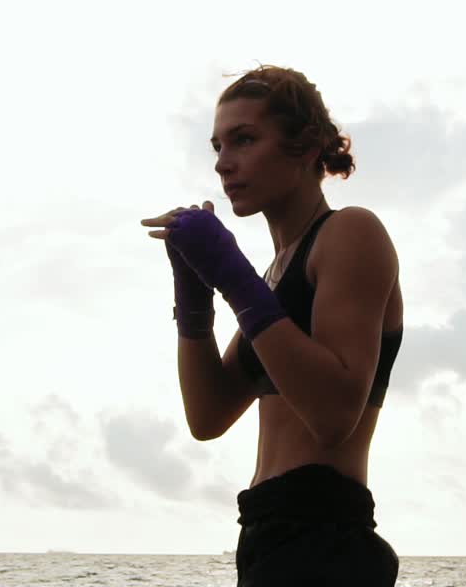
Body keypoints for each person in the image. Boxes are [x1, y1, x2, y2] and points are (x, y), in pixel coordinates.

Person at [140, 66, 403, 585]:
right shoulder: (271, 280)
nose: (223, 163)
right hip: (265, 534)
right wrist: (194, 295)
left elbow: (334, 416)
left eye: (244, 139)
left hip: (325, 535)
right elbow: (208, 415)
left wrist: (230, 275)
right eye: (217, 146)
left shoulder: (350, 232)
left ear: (306, 146)